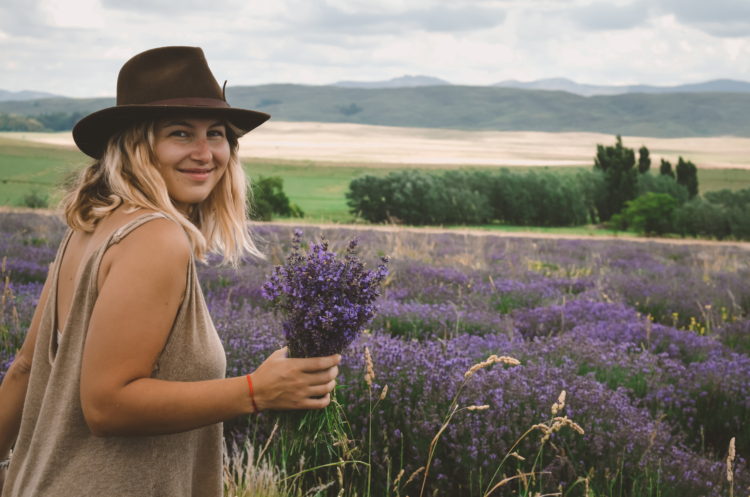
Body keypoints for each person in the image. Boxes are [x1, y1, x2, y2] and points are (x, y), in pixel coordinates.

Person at [0, 46, 341, 496]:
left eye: (216, 134)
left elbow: (25, 367)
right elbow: (107, 406)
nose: (205, 153)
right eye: (181, 133)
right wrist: (256, 391)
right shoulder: (156, 237)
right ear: (137, 144)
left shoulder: (91, 227)